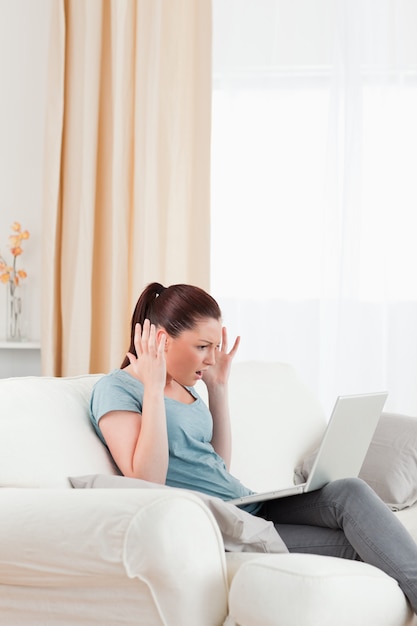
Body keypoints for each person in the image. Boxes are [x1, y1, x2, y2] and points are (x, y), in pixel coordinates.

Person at [90, 281, 417, 614]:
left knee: (349, 491)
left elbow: (216, 465)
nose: (211, 357)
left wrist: (217, 388)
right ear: (161, 340)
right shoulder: (116, 390)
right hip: (221, 524)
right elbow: (147, 481)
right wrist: (153, 389)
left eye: (215, 347)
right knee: (363, 543)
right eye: (203, 346)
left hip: (246, 504)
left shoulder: (186, 387)